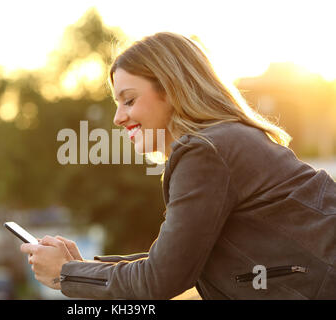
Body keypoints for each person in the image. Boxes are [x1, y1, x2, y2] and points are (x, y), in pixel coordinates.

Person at [20, 32, 336, 299]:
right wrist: (81, 267)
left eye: (128, 100)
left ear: (171, 91)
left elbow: (161, 278)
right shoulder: (227, 141)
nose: (118, 118)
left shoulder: (206, 152)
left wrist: (67, 274)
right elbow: (177, 258)